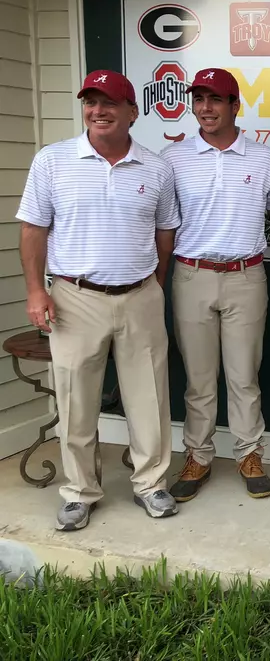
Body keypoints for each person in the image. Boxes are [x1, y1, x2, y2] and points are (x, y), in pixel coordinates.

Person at [16, 69, 180, 530]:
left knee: (148, 397)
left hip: (141, 294)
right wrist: (35, 290)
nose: (98, 111)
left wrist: (156, 285)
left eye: (109, 103)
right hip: (74, 297)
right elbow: (33, 230)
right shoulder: (53, 161)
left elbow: (165, 232)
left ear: (132, 111)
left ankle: (151, 484)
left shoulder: (156, 167)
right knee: (76, 401)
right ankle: (80, 491)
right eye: (90, 102)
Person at [162, 68, 270, 501]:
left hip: (245, 276)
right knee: (198, 379)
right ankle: (198, 456)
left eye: (215, 99)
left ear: (236, 105)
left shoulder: (263, 158)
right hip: (192, 275)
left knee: (243, 376)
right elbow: (160, 224)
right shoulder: (172, 158)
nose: (205, 108)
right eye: (198, 99)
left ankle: (248, 453)